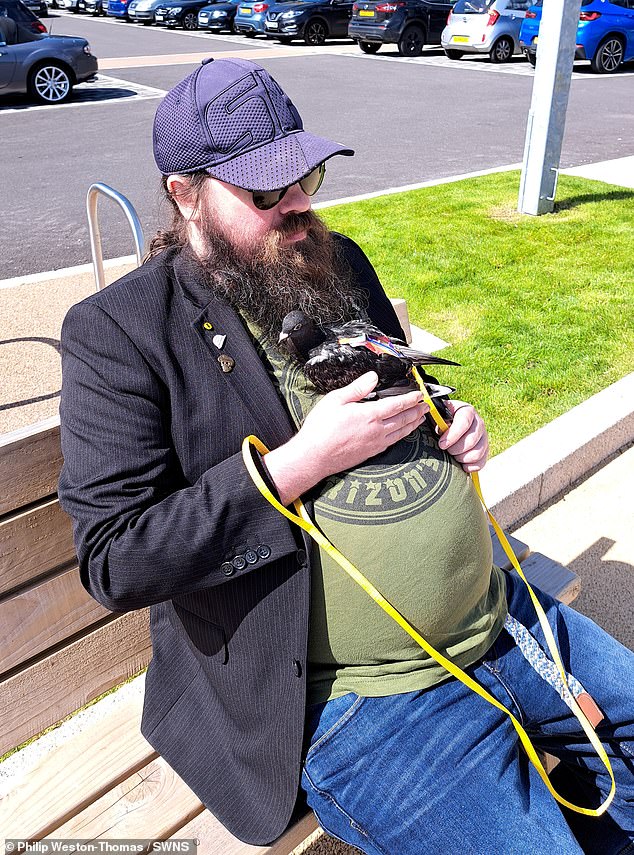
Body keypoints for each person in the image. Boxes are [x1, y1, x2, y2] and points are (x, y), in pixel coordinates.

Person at [58, 58, 634, 854]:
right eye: (265, 192)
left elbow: (392, 392)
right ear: (185, 193)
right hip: (357, 698)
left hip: (494, 616)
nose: (298, 206)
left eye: (304, 176)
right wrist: (296, 463)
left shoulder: (336, 261)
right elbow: (115, 557)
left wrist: (449, 420)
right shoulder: (122, 333)